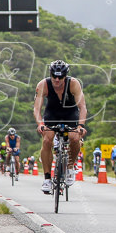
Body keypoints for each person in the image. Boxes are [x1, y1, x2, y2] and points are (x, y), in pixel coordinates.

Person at [34, 59, 87, 194]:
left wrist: (80, 125)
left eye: (61, 77)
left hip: (70, 114)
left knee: (75, 138)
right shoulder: (43, 85)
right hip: (52, 114)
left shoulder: (74, 83)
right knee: (47, 140)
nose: (57, 80)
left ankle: (70, 167)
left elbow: (82, 107)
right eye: (54, 77)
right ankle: (47, 179)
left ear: (65, 76)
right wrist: (40, 124)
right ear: (50, 74)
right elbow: (37, 108)